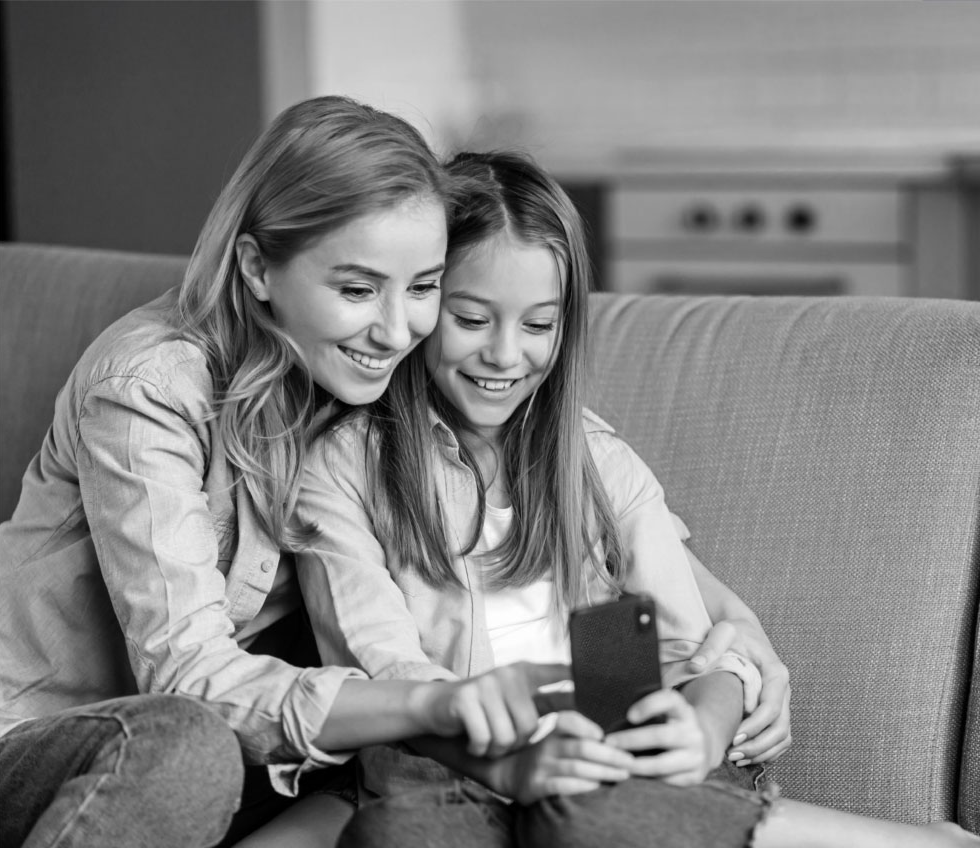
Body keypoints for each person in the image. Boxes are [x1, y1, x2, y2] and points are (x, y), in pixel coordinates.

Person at [280, 150, 978, 848]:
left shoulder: (592, 463)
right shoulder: (347, 467)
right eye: (471, 319)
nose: (505, 355)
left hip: (615, 763)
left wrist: (702, 728)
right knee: (397, 832)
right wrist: (516, 763)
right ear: (425, 299)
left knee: (585, 816)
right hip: (447, 770)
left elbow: (688, 649)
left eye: (538, 326)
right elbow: (390, 678)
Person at [0, 97, 572, 848]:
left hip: (251, 762)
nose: (397, 330)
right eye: (357, 289)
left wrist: (715, 647)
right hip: (47, 738)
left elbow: (581, 482)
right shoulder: (149, 387)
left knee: (382, 782)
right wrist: (431, 704)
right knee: (190, 747)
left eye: (423, 287)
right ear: (257, 267)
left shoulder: (381, 382)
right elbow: (189, 678)